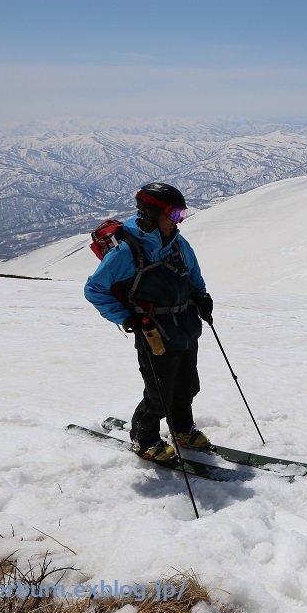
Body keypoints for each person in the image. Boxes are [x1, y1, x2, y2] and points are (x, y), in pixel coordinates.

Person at [84, 182, 215, 463]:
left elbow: (193, 274)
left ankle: (181, 430)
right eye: (175, 214)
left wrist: (201, 297)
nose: (180, 221)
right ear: (154, 214)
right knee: (159, 394)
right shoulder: (126, 252)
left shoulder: (179, 243)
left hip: (186, 327)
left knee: (187, 385)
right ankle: (145, 440)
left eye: (182, 214)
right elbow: (95, 289)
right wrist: (126, 318)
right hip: (153, 331)